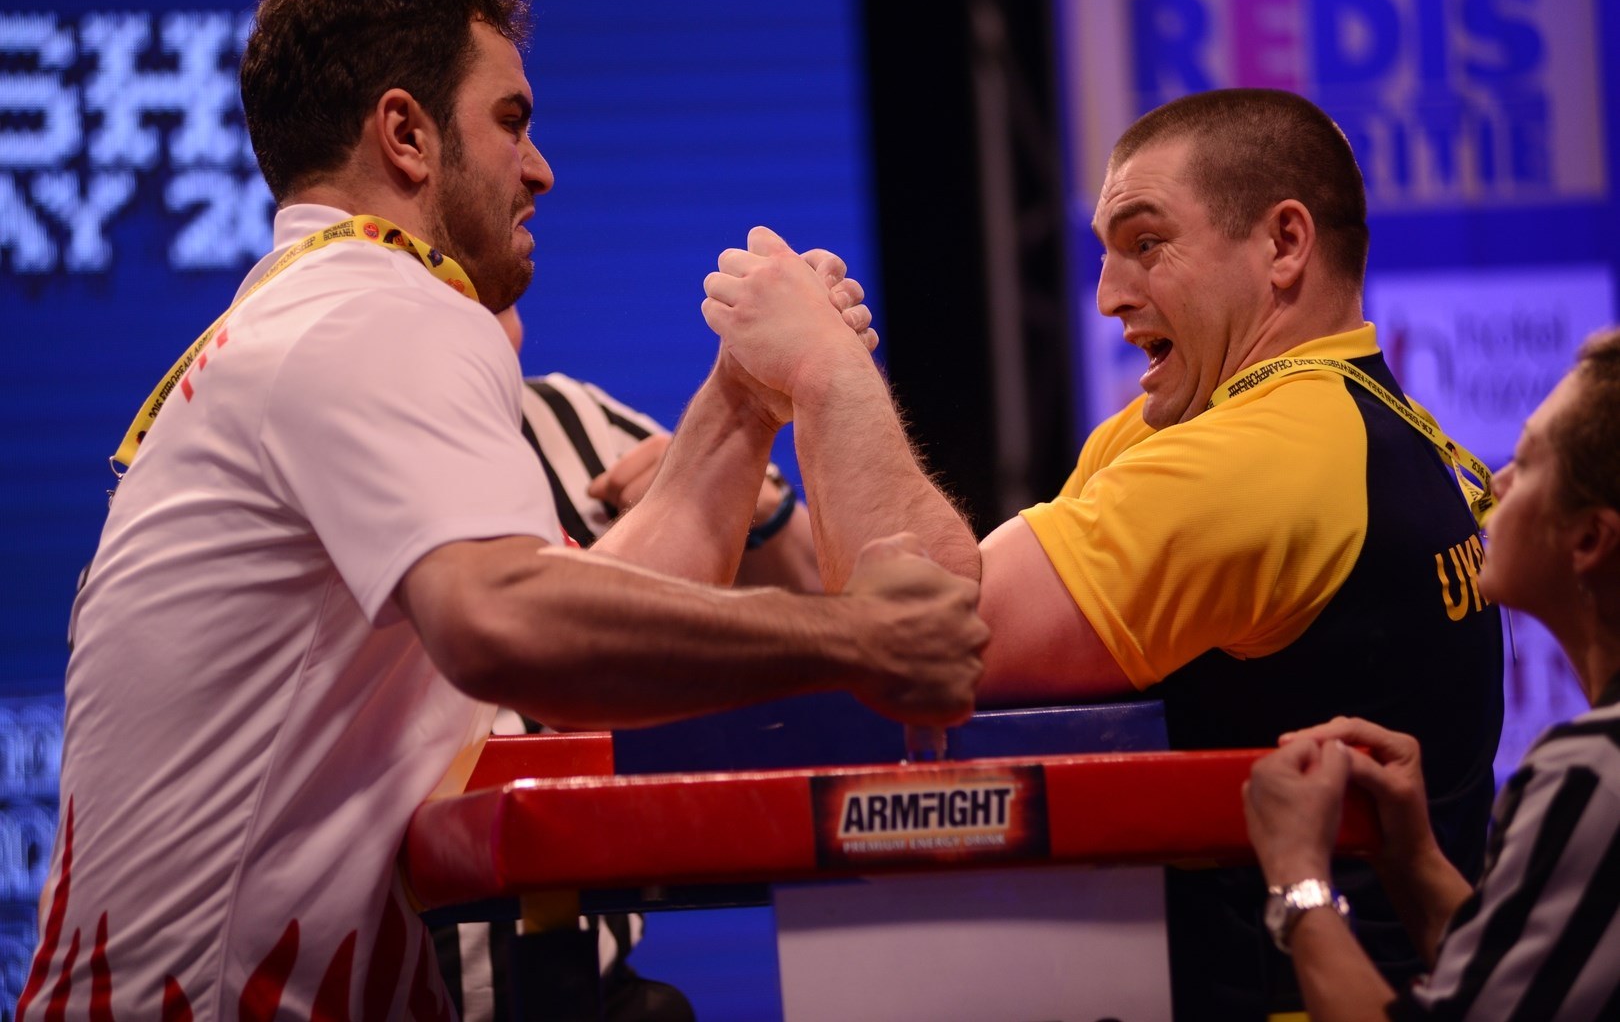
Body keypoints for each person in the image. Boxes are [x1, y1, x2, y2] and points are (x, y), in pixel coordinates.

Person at [17, 0, 987, 1017]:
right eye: (512, 121)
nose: (541, 168)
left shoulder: (306, 314)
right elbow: (508, 624)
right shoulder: (383, 305)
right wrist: (859, 636)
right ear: (406, 136)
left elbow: (540, 687)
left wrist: (743, 402)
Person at [701, 88, 1503, 1017]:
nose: (1109, 296)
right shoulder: (1315, 417)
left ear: (1285, 246)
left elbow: (920, 635)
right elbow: (910, 602)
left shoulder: (1269, 458)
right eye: (1105, 252)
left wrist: (827, 372)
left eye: (1147, 243)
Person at [434, 306, 821, 1022]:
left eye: (503, 300)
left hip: (594, 986)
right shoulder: (321, 435)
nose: (501, 324)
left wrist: (754, 499)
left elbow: (830, 591)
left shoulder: (570, 419)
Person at [1244, 328, 1620, 1020]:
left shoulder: (1594, 776)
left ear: (1590, 539)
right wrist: (1412, 857)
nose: (1497, 479)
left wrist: (1298, 877)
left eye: (1530, 464)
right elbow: (1502, 990)